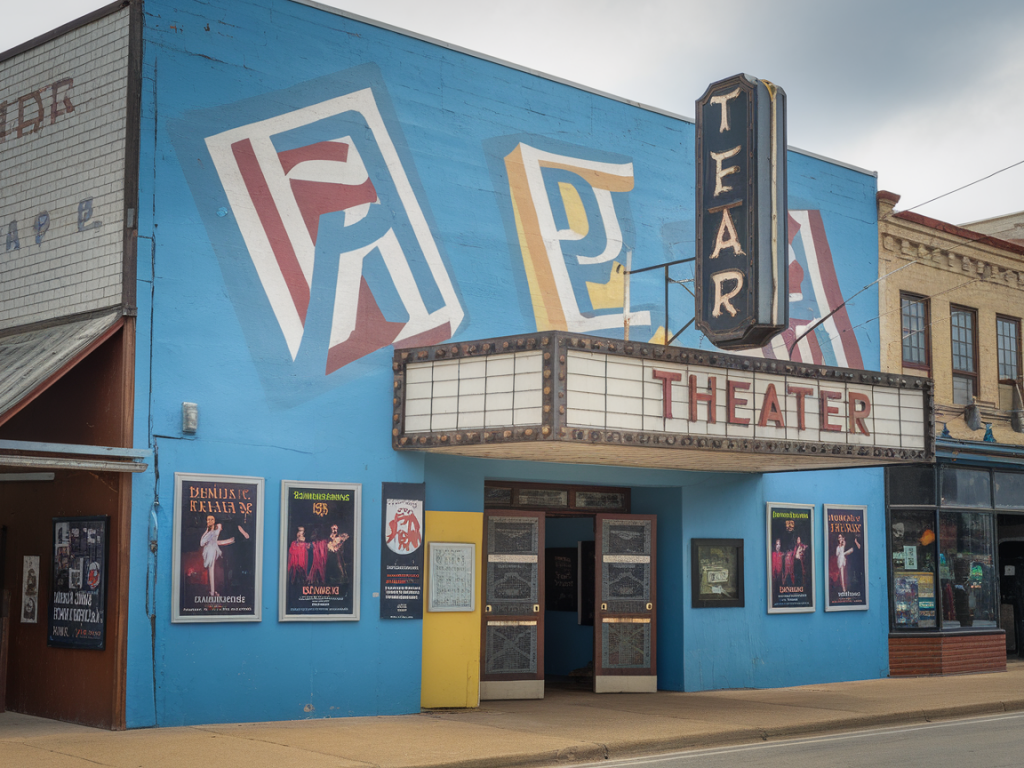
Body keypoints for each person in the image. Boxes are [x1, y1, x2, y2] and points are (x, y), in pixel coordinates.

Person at [200, 515, 235, 596]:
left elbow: (214, 541)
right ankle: (212, 592)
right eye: (208, 519)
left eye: (211, 519)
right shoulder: (211, 531)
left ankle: (213, 591)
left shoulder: (217, 528)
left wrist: (228, 541)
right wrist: (227, 541)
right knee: (212, 570)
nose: (209, 521)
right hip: (211, 551)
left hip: (216, 551)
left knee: (216, 570)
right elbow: (203, 543)